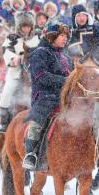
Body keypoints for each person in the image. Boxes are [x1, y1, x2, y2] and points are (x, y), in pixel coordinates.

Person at [22, 22, 72, 170]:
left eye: (66, 36)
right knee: (38, 121)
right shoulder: (40, 53)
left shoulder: (66, 57)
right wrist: (65, 81)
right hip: (45, 95)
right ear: (52, 36)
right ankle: (31, 153)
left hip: (65, 97)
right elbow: (41, 76)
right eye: (62, 35)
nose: (65, 39)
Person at [0, 12, 40, 132]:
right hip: (16, 73)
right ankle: (3, 122)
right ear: (19, 27)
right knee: (6, 94)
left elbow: (43, 51)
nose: (26, 29)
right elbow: (6, 51)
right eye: (23, 26)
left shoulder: (38, 38)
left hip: (35, 74)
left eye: (28, 26)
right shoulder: (12, 38)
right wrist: (14, 59)